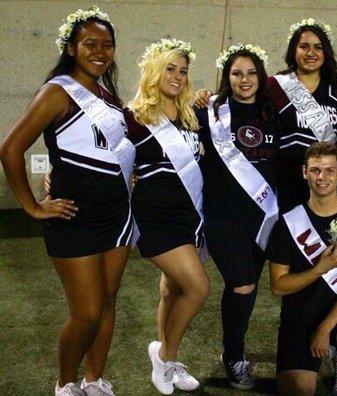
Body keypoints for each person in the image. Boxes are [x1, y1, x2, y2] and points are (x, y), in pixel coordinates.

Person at [0, 6, 134, 396]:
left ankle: (95, 380)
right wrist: (32, 206)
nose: (100, 51)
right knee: (87, 312)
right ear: (72, 47)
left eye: (107, 45)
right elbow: (10, 149)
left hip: (117, 216)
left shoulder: (107, 96)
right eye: (90, 43)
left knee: (108, 301)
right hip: (73, 217)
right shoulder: (57, 91)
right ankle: (65, 382)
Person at [126, 39, 210, 395]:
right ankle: (166, 356)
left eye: (183, 71)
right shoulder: (134, 116)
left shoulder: (191, 114)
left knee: (172, 287)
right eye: (170, 69)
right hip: (156, 217)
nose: (177, 76)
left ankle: (164, 356)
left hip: (188, 216)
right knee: (198, 287)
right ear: (155, 72)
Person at [194, 43, 278, 390]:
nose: (245, 80)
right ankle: (233, 355)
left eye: (251, 73)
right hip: (223, 217)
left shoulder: (274, 112)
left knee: (248, 287)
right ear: (226, 78)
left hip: (264, 216)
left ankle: (235, 349)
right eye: (236, 73)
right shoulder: (209, 113)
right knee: (241, 282)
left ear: (261, 76)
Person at [267, 142, 337, 396]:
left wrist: (326, 327)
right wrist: (320, 268)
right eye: (316, 170)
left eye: (329, 170)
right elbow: (278, 286)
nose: (322, 177)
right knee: (296, 391)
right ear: (304, 172)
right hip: (299, 317)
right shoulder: (287, 223)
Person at [266, 18, 337, 212]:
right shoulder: (275, 85)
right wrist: (206, 96)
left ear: (325, 52)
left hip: (326, 180)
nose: (311, 53)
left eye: (318, 47)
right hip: (288, 180)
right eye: (304, 46)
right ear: (293, 51)